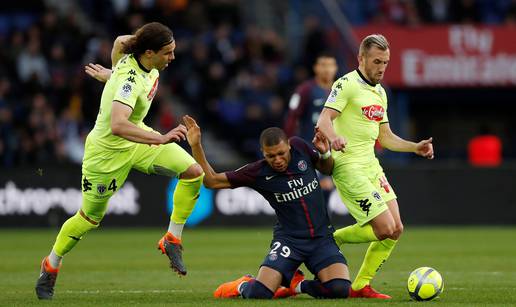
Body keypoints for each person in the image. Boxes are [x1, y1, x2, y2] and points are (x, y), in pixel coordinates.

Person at [35, 22, 204, 300]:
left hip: (138, 139)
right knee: (89, 218)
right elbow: (117, 124)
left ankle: (172, 238)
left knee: (192, 172)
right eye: (168, 52)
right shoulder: (130, 81)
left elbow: (117, 42)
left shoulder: (140, 62)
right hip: (107, 154)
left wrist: (111, 76)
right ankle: (51, 265)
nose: (172, 57)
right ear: (149, 52)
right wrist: (160, 138)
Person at [316, 34, 434, 299]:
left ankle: (360, 286)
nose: (382, 67)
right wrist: (334, 138)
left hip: (371, 166)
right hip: (348, 166)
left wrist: (415, 147)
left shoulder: (380, 92)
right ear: (361, 58)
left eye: (386, 62)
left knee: (396, 229)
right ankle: (330, 241)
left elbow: (386, 137)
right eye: (377, 61)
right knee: (383, 228)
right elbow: (324, 119)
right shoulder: (346, 84)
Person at [183, 115, 350, 300]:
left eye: (281, 153)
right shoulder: (257, 172)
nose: (277, 160)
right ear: (263, 153)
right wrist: (196, 145)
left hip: (321, 238)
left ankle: (296, 285)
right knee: (259, 294)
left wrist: (325, 153)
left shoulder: (300, 147)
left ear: (289, 146)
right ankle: (243, 285)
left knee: (339, 289)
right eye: (271, 156)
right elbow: (211, 181)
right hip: (290, 241)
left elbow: (326, 169)